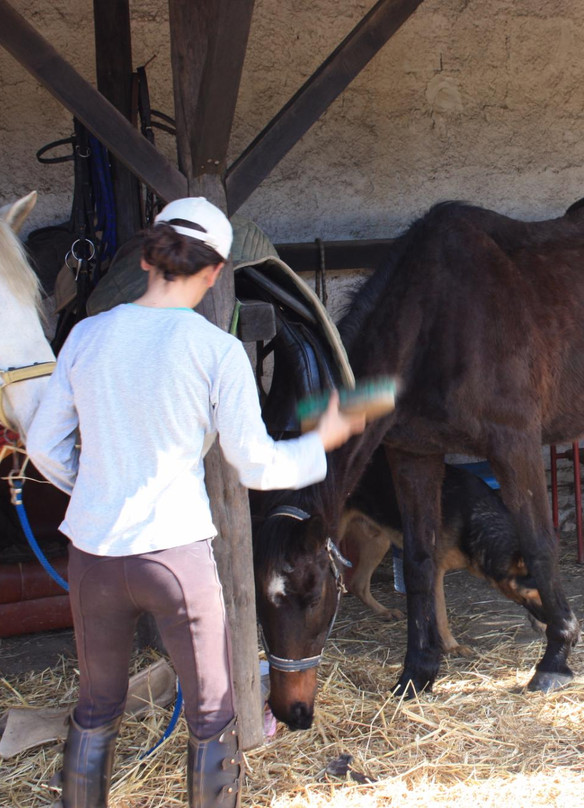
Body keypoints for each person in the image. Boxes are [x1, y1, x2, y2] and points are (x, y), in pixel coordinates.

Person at [27, 197, 368, 808]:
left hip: (94, 559)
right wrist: (322, 439)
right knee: (212, 718)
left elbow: (45, 445)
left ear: (148, 256)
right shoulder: (215, 350)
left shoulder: (87, 334)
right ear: (215, 273)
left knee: (96, 707)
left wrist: (97, 492)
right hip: (175, 557)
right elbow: (257, 465)